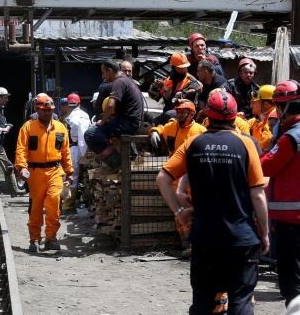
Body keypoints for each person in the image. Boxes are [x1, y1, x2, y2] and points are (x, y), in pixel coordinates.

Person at [156, 89, 269, 314]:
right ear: (235, 114)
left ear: (208, 113)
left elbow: (162, 179)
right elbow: (257, 194)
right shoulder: (246, 144)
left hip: (204, 237)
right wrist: (265, 233)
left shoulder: (193, 143)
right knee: (241, 302)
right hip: (241, 238)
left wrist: (179, 211)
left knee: (203, 301)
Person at [15, 95, 74, 252]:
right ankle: (34, 238)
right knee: (36, 206)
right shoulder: (28, 128)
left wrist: (69, 171)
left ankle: (51, 238)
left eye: (50, 110)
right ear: (37, 110)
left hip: (55, 171)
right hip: (35, 173)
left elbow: (65, 152)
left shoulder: (60, 128)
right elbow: (21, 150)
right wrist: (22, 167)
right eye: (44, 110)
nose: (47, 113)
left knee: (54, 203)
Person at [260, 79, 300, 306]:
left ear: (282, 107)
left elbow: (268, 165)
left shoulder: (290, 138)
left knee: (291, 282)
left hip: (291, 221)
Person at [149, 100, 207, 252]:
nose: (179, 114)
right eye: (178, 111)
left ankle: (200, 242)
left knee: (198, 207)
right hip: (175, 176)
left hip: (195, 176)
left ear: (192, 114)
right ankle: (187, 243)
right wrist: (154, 131)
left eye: (183, 112)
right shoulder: (171, 127)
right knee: (179, 211)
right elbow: (160, 128)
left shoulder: (200, 130)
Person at [84, 60, 144, 173]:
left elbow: (110, 104)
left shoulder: (119, 82)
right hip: (130, 122)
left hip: (128, 123)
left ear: (110, 71)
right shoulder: (128, 81)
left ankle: (118, 163)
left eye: (103, 73)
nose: (103, 77)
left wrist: (102, 122)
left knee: (90, 135)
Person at [148, 52, 199, 125]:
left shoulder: (191, 81)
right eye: (180, 68)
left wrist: (170, 93)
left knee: (169, 114)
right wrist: (155, 87)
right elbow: (154, 96)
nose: (183, 70)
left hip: (184, 116)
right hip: (167, 114)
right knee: (151, 124)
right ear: (173, 67)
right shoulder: (168, 80)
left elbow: (186, 98)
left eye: (185, 67)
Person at [61, 93, 90, 212]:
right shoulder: (85, 115)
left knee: (71, 175)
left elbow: (73, 134)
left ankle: (67, 205)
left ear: (68, 104)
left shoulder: (72, 117)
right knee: (77, 176)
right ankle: (70, 203)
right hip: (85, 148)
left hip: (74, 148)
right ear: (79, 103)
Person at [247, 85, 276, 151]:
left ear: (266, 104)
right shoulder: (268, 115)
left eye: (253, 103)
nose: (251, 106)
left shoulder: (273, 116)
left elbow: (267, 138)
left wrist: (252, 152)